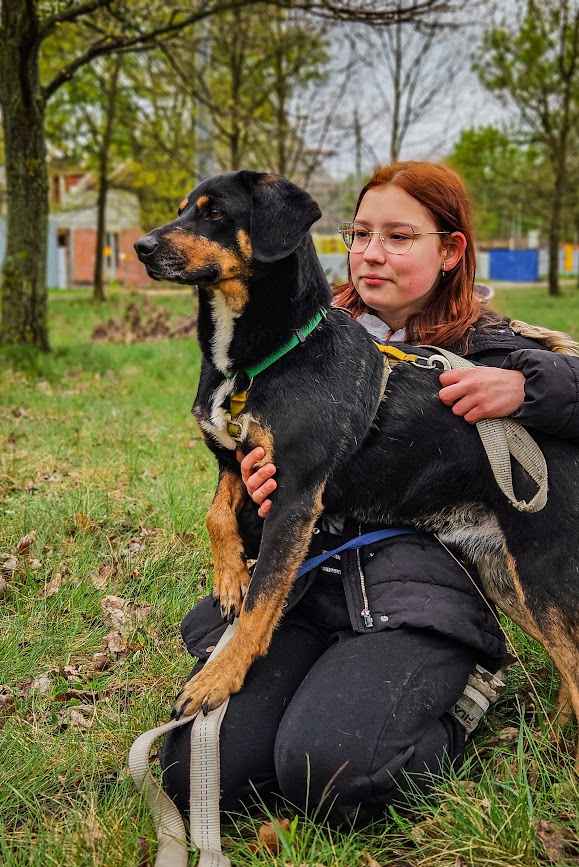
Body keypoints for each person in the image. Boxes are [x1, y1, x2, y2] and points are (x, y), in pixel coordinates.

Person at [161, 161, 579, 826]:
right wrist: (250, 503)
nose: (371, 253)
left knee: (333, 770)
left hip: (423, 589)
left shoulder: (496, 349)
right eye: (359, 234)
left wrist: (532, 388)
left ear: (448, 251)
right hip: (315, 582)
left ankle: (464, 696)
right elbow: (263, 491)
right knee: (199, 774)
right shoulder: (298, 340)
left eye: (397, 236)